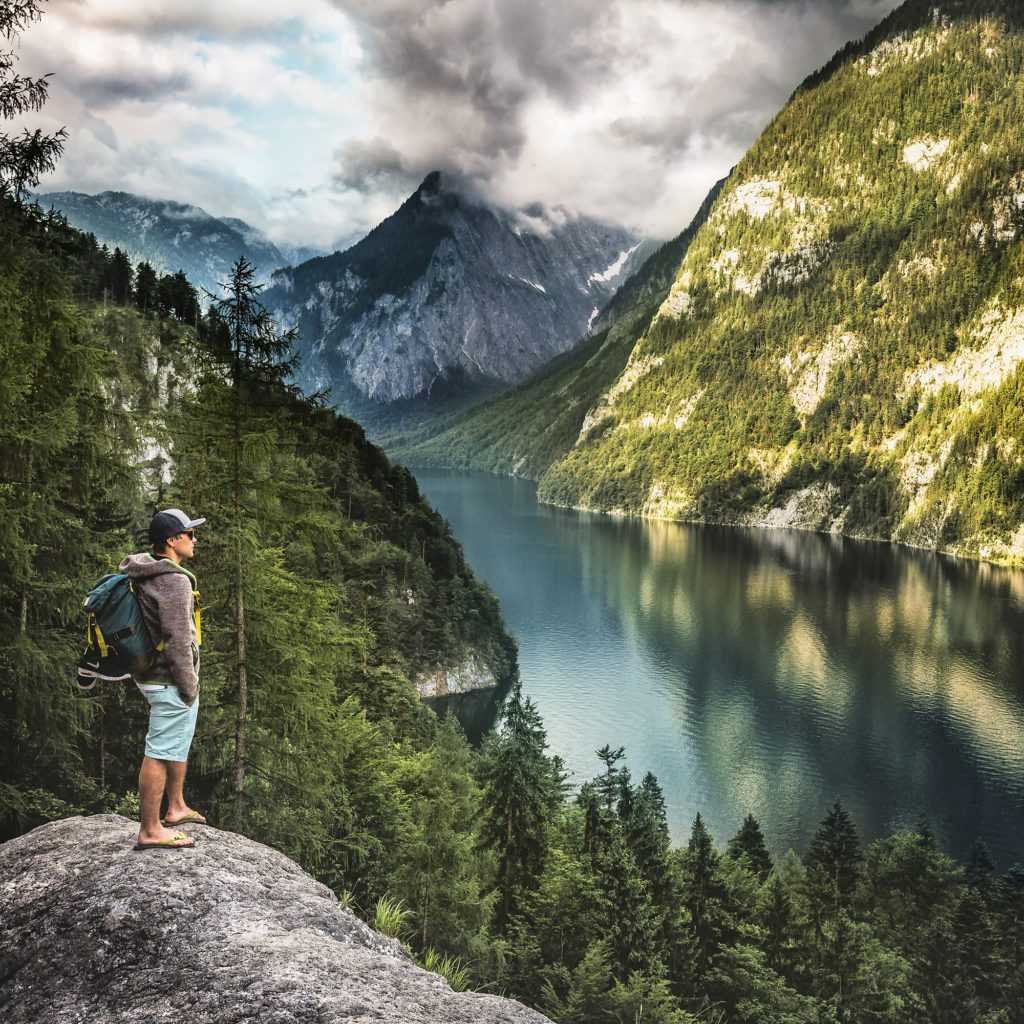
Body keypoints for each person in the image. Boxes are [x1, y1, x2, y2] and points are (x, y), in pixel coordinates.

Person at [120, 508, 206, 850]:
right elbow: (177, 641)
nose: (194, 539)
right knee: (158, 751)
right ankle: (150, 829)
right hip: (168, 678)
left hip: (149, 672)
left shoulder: (145, 571)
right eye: (189, 534)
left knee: (174, 741)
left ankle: (176, 807)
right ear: (172, 541)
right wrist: (189, 687)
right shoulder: (174, 581)